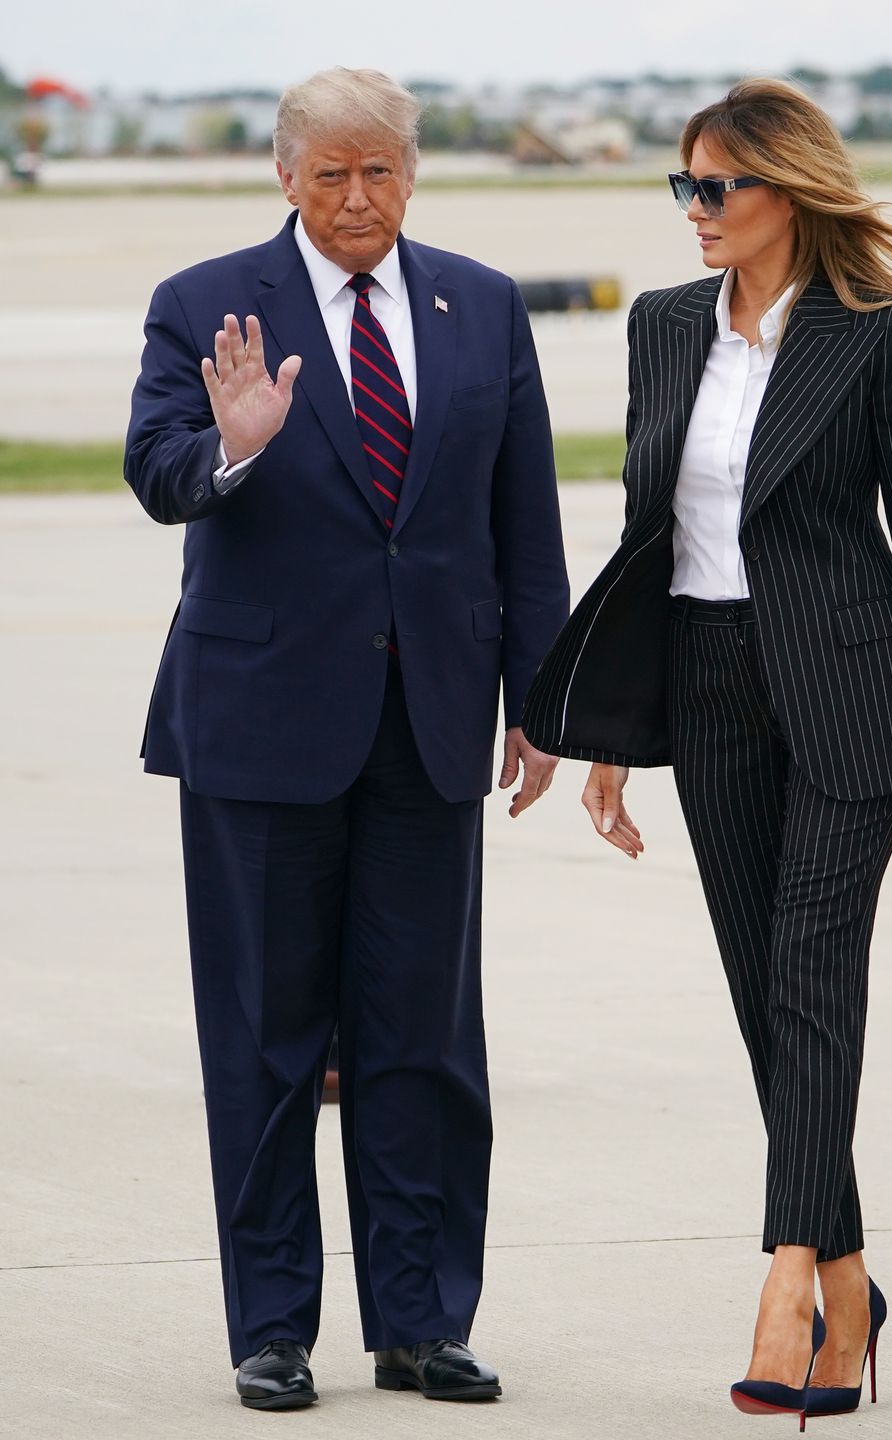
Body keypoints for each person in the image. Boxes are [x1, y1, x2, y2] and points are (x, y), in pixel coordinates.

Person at [522, 78, 892, 1429]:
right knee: (761, 997)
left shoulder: (881, 335)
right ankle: (853, 1281)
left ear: (789, 192)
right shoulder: (665, 327)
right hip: (708, 684)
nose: (697, 212)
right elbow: (641, 525)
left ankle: (789, 1287)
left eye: (718, 188)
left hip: (853, 697)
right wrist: (614, 727)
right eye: (685, 187)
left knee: (809, 973)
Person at [125, 66, 569, 1411]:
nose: (357, 195)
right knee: (264, 1037)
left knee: (422, 1036)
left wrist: (540, 698)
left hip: (430, 719)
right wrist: (236, 447)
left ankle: (422, 1321)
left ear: (411, 172)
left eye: (379, 169)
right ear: (285, 177)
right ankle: (273, 1328)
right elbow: (158, 472)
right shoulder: (203, 305)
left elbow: (523, 518)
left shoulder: (481, 305)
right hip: (261, 729)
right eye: (331, 173)